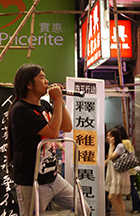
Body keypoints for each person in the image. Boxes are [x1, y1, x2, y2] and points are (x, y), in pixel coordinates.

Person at [7, 63, 90, 216]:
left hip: (53, 177)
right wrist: (57, 100)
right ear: (29, 85)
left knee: (83, 209)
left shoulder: (45, 105)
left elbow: (67, 127)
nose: (47, 81)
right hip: (31, 181)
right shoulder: (21, 109)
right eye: (42, 78)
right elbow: (52, 132)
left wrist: (60, 102)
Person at [115, 125, 140, 214]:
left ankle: (137, 207)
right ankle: (137, 207)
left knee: (131, 189)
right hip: (129, 169)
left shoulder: (123, 142)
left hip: (126, 170)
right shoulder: (127, 141)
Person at [105, 128, 130, 216]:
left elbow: (111, 157)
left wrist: (111, 145)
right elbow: (109, 158)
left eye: (109, 136)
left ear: (114, 137)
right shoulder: (115, 146)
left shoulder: (120, 146)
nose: (107, 137)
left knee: (111, 197)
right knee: (119, 199)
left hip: (119, 175)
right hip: (115, 175)